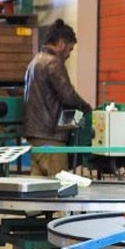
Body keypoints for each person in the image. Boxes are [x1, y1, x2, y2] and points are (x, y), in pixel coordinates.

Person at [23, 19, 93, 177]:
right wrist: (86, 107)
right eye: (70, 49)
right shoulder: (53, 63)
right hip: (51, 137)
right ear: (61, 44)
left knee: (38, 189)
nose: (68, 54)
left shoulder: (35, 62)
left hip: (35, 135)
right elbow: (67, 95)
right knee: (60, 187)